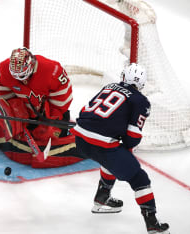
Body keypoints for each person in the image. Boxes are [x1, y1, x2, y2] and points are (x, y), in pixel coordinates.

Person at [70, 63, 170, 233]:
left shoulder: (109, 86)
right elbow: (132, 138)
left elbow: (84, 111)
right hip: (101, 145)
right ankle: (152, 222)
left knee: (110, 159)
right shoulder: (141, 101)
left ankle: (102, 199)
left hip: (80, 138)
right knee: (140, 178)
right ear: (142, 84)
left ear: (124, 76)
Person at [0, 47, 83, 168]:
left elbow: (64, 97)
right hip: (26, 109)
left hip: (47, 109)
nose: (22, 80)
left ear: (31, 65)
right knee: (15, 127)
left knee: (49, 134)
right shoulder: (2, 70)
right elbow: (2, 95)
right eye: (16, 77)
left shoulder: (52, 70)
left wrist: (52, 117)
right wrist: (14, 111)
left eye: (23, 75)